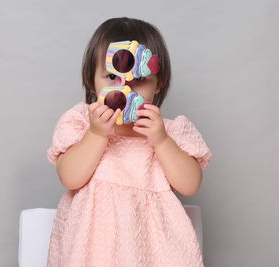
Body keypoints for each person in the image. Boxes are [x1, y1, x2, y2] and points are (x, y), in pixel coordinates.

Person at [46, 17, 212, 267]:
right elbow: (70, 178)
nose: (124, 89)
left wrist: (162, 142)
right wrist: (96, 134)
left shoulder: (170, 131)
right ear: (91, 80)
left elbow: (190, 184)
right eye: (112, 76)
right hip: (92, 251)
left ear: (159, 84)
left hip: (153, 251)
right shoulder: (81, 123)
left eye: (139, 80)